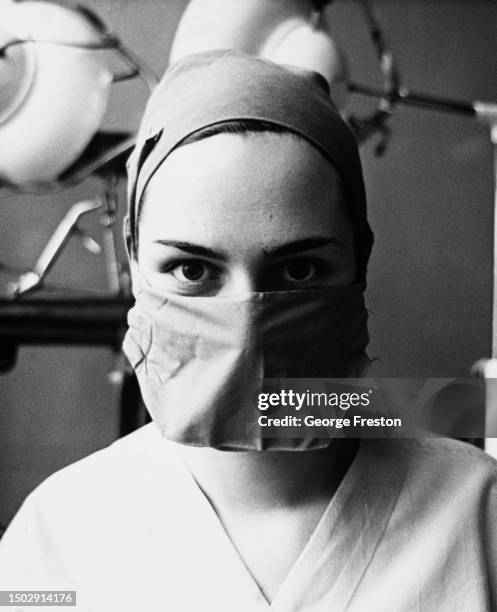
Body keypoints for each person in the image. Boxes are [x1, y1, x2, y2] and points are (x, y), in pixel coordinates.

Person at [0, 50, 497, 612]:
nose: (245, 327)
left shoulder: (479, 519)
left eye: (298, 270)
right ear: (134, 262)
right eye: (193, 270)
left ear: (360, 260)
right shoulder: (54, 547)